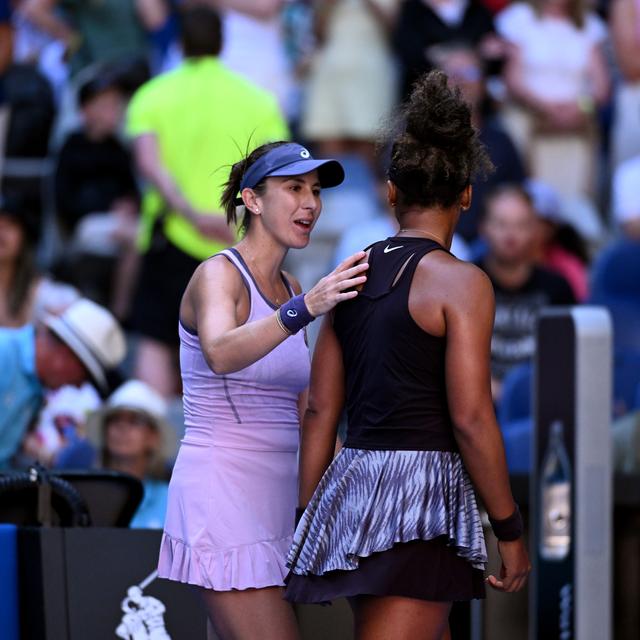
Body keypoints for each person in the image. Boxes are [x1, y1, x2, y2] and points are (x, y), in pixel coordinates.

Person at [285, 71, 530, 639]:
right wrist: (510, 529)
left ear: (391, 192)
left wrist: (308, 519)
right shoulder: (463, 284)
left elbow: (321, 410)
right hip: (423, 502)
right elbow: (471, 418)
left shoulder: (349, 271)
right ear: (467, 194)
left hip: (353, 493)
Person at [157, 140, 369, 640]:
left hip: (278, 503)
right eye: (294, 188)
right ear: (252, 200)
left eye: (315, 191)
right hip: (222, 495)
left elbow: (303, 412)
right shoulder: (217, 274)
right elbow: (221, 352)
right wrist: (307, 309)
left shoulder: (294, 287)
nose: (311, 203)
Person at [126, 5, 289, 397]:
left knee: (155, 338)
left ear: (181, 44)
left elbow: (148, 163)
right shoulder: (258, 99)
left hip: (173, 235)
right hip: (239, 242)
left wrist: (189, 212)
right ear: (223, 43)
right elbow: (277, 168)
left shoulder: (153, 94)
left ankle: (155, 442)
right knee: (233, 342)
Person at [497, 0, 610, 199]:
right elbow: (512, 79)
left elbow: (601, 87)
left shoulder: (590, 24)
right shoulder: (519, 18)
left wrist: (580, 108)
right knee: (530, 193)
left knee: (575, 195)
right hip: (527, 120)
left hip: (576, 125)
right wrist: (543, 107)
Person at [476, 184, 576, 401]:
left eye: (521, 225)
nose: (511, 235)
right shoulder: (465, 283)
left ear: (535, 230)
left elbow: (570, 360)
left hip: (541, 403)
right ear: (483, 227)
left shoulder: (557, 288)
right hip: (476, 401)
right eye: (501, 224)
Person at [0, 297, 126, 468]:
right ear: (66, 356)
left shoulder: (37, 388)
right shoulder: (4, 353)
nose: (80, 386)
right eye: (84, 376)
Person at [87, 379, 177, 529]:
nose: (122, 427)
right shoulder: (88, 496)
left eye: (135, 421)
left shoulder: (171, 501)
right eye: (115, 419)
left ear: (153, 437)